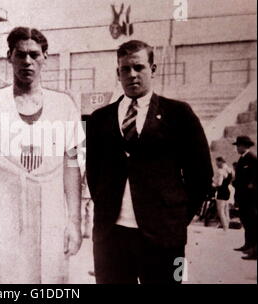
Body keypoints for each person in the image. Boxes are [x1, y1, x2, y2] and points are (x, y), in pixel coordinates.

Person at [86, 40, 213, 284]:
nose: (132, 75)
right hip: (111, 237)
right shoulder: (99, 119)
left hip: (165, 238)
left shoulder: (179, 114)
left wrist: (175, 219)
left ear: (152, 69)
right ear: (118, 73)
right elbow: (94, 174)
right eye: (125, 69)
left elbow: (201, 175)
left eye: (139, 67)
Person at [0, 27, 85, 283]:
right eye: (20, 55)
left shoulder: (64, 106)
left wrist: (74, 222)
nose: (27, 61)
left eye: (34, 54)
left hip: (51, 220)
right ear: (9, 56)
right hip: (3, 219)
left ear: (45, 57)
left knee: (51, 283)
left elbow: (72, 166)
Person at [232, 136, 257, 260]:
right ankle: (248, 245)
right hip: (243, 196)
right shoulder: (242, 158)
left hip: (250, 197)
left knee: (252, 222)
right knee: (246, 221)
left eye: (238, 146)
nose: (237, 148)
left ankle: (254, 249)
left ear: (244, 146)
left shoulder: (252, 157)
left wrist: (252, 185)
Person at [212, 157, 234, 231]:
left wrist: (213, 184)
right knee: (226, 210)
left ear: (220, 161)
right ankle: (227, 225)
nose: (216, 164)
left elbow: (219, 183)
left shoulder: (220, 171)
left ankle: (225, 227)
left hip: (221, 192)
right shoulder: (230, 169)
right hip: (227, 191)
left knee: (220, 211)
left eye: (217, 162)